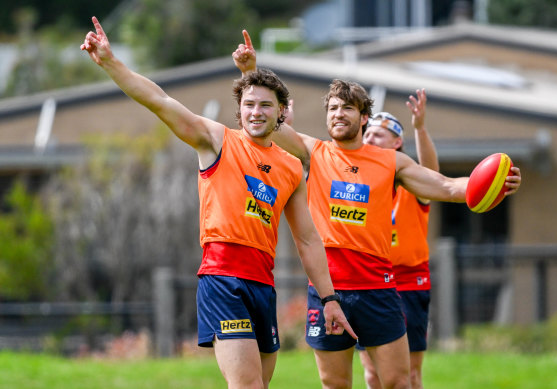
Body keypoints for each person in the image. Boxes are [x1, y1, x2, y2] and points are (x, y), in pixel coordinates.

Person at [233, 31, 522, 389]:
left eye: (348, 108)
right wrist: (251, 71)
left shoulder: (391, 162)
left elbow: (447, 186)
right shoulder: (315, 152)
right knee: (335, 384)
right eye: (333, 109)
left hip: (378, 289)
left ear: (364, 116)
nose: (339, 115)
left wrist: (494, 183)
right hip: (327, 291)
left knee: (398, 383)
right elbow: (266, 120)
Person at [81, 17, 356, 389]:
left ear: (281, 112)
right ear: (239, 109)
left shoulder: (292, 167)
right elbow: (160, 101)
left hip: (263, 283)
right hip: (223, 278)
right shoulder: (216, 140)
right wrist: (112, 63)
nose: (256, 112)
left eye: (265, 105)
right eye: (248, 104)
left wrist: (329, 299)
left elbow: (307, 240)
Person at [357, 90, 437, 389]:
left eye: (378, 134)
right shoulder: (356, 181)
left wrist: (420, 127)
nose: (370, 139)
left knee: (410, 375)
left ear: (397, 143)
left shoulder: (409, 181)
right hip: (369, 279)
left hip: (408, 280)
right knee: (372, 373)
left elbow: (432, 173)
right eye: (368, 134)